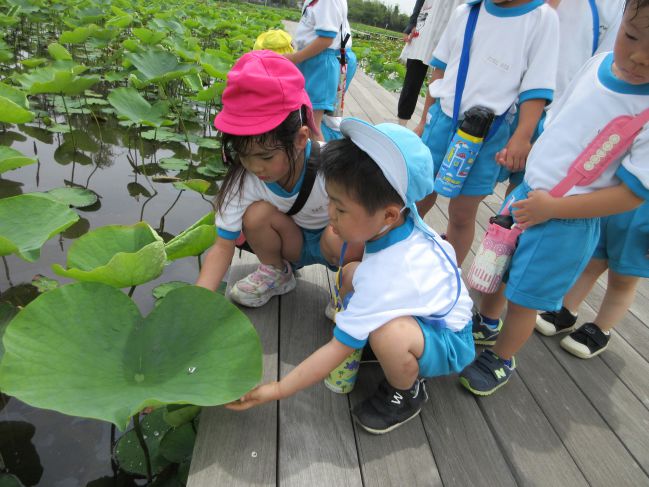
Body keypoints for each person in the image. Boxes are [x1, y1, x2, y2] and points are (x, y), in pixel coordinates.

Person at [226, 119, 475, 435]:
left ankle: (407, 391)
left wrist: (277, 389)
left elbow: (336, 350)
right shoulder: (399, 212)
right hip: (428, 302)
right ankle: (375, 333)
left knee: (389, 335)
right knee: (351, 272)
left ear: (388, 214)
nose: (329, 214)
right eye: (330, 200)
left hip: (449, 335)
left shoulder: (386, 273)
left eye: (340, 209)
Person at [462, 0, 649, 395]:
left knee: (525, 296)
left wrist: (554, 208)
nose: (638, 56)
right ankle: (486, 321)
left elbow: (632, 195)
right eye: (631, 36)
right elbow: (560, 118)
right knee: (498, 270)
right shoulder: (596, 65)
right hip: (528, 196)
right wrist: (530, 150)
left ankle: (503, 357)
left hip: (566, 220)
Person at [196, 50, 362, 307]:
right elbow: (222, 247)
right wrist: (195, 305)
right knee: (255, 215)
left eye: (265, 156)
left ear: (300, 139)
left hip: (336, 242)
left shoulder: (332, 166)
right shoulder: (244, 179)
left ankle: (349, 287)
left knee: (349, 229)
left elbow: (374, 219)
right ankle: (278, 271)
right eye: (243, 155)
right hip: (291, 241)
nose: (254, 167)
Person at [414, 0, 560, 266]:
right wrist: (425, 119)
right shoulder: (466, 11)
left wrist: (522, 137)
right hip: (444, 120)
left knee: (462, 213)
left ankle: (447, 281)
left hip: (489, 133)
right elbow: (440, 70)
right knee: (418, 197)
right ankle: (396, 258)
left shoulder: (542, 19)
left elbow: (536, 88)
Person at [535, 203, 649, 359]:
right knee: (590, 262)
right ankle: (566, 311)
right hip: (611, 206)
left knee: (622, 281)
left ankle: (601, 328)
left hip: (642, 226)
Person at [286, 0, 356, 141]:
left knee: (313, 125)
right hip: (322, 58)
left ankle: (320, 160)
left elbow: (326, 39)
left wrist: (293, 58)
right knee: (316, 118)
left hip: (322, 63)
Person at [397, 0, 463, 127]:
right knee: (412, 81)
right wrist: (412, 23)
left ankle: (427, 127)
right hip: (428, 20)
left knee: (443, 83)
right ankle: (401, 125)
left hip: (455, 17)